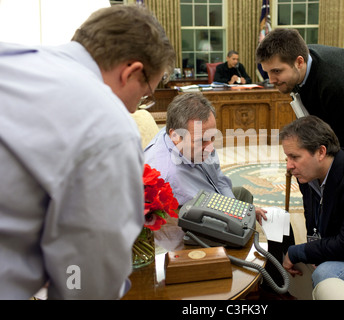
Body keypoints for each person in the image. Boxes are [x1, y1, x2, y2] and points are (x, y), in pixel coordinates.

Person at [0, 5, 175, 300]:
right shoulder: (106, 123)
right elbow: (84, 282)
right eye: (145, 95)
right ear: (131, 72)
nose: (135, 109)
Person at [275, 115, 344, 289]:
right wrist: (315, 251)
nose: (289, 166)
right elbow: (312, 215)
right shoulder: (308, 174)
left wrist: (301, 252)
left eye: (295, 157)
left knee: (326, 273)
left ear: (321, 152)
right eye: (287, 158)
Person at [255, 28, 344, 154]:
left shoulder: (335, 80)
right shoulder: (294, 62)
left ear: (299, 62)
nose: (271, 80)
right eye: (267, 72)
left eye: (276, 71)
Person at [144, 93, 265, 215]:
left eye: (212, 137)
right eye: (200, 141)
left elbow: (218, 178)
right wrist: (237, 214)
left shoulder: (190, 133)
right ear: (175, 136)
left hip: (210, 197)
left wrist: (236, 208)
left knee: (244, 194)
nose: (210, 149)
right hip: (195, 218)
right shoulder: (168, 179)